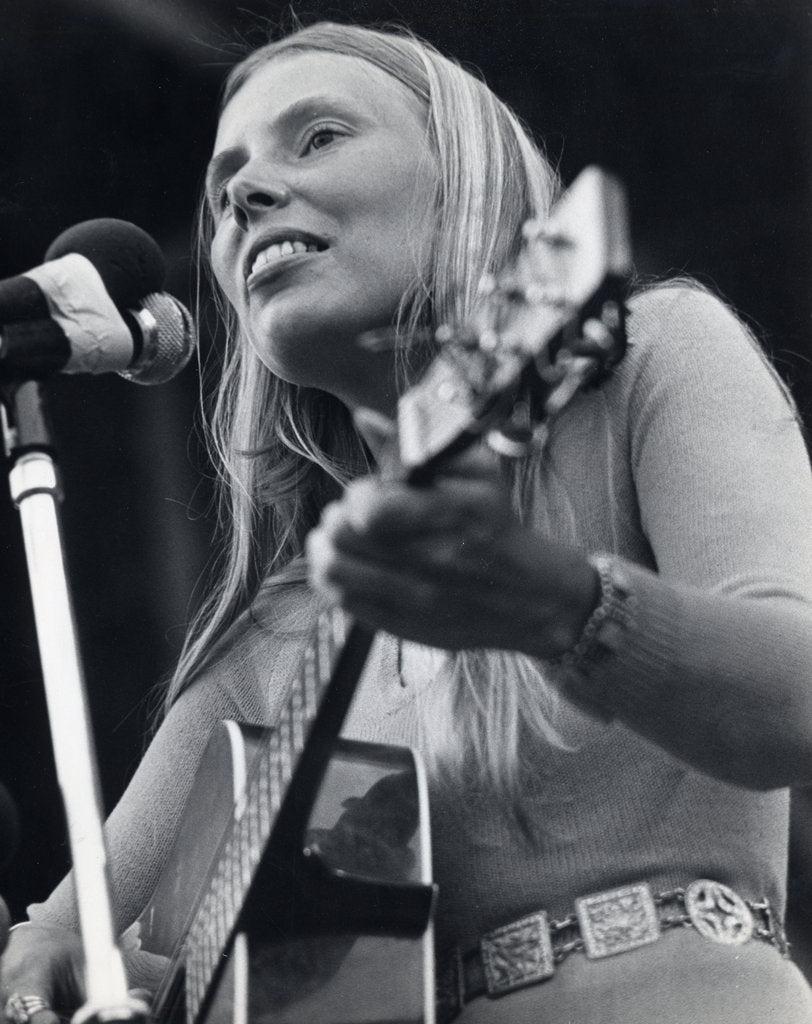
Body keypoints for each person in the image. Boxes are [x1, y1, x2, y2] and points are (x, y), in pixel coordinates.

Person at [2, 19, 812, 1024]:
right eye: (220, 192)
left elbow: (796, 701)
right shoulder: (281, 630)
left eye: (319, 136)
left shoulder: (656, 357)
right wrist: (48, 961)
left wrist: (557, 602)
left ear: (466, 177)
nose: (244, 195)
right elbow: (69, 921)